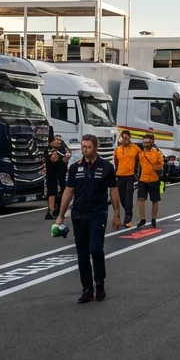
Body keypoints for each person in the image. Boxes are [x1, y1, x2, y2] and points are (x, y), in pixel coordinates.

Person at [54, 134, 121, 303]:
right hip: (79, 214)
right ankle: (87, 289)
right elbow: (68, 191)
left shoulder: (106, 167)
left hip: (97, 214)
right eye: (83, 146)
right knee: (82, 254)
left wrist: (117, 214)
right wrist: (60, 215)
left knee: (96, 250)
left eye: (88, 147)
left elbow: (113, 190)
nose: (85, 149)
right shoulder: (75, 167)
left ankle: (99, 283)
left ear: (96, 148)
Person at [135, 133, 166, 229]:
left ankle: (153, 219)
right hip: (142, 179)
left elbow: (160, 165)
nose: (145, 144)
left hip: (154, 179)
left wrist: (156, 167)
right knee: (140, 199)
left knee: (155, 200)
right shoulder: (140, 153)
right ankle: (142, 219)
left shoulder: (157, 153)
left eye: (147, 142)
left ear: (152, 142)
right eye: (144, 141)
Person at [113, 130, 142, 228]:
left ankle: (128, 219)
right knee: (122, 198)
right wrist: (116, 171)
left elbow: (141, 158)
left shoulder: (135, 148)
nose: (124, 139)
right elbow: (116, 162)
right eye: (123, 137)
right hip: (120, 175)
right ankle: (128, 211)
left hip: (130, 175)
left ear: (129, 138)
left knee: (128, 197)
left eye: (126, 138)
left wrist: (138, 171)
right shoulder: (117, 150)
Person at [45, 135, 69, 221]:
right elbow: (53, 159)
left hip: (62, 173)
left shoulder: (63, 146)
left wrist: (67, 155)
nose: (59, 141)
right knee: (52, 191)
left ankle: (61, 210)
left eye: (60, 140)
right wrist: (56, 154)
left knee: (64, 190)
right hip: (52, 173)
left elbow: (68, 154)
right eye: (57, 139)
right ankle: (51, 211)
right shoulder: (49, 149)